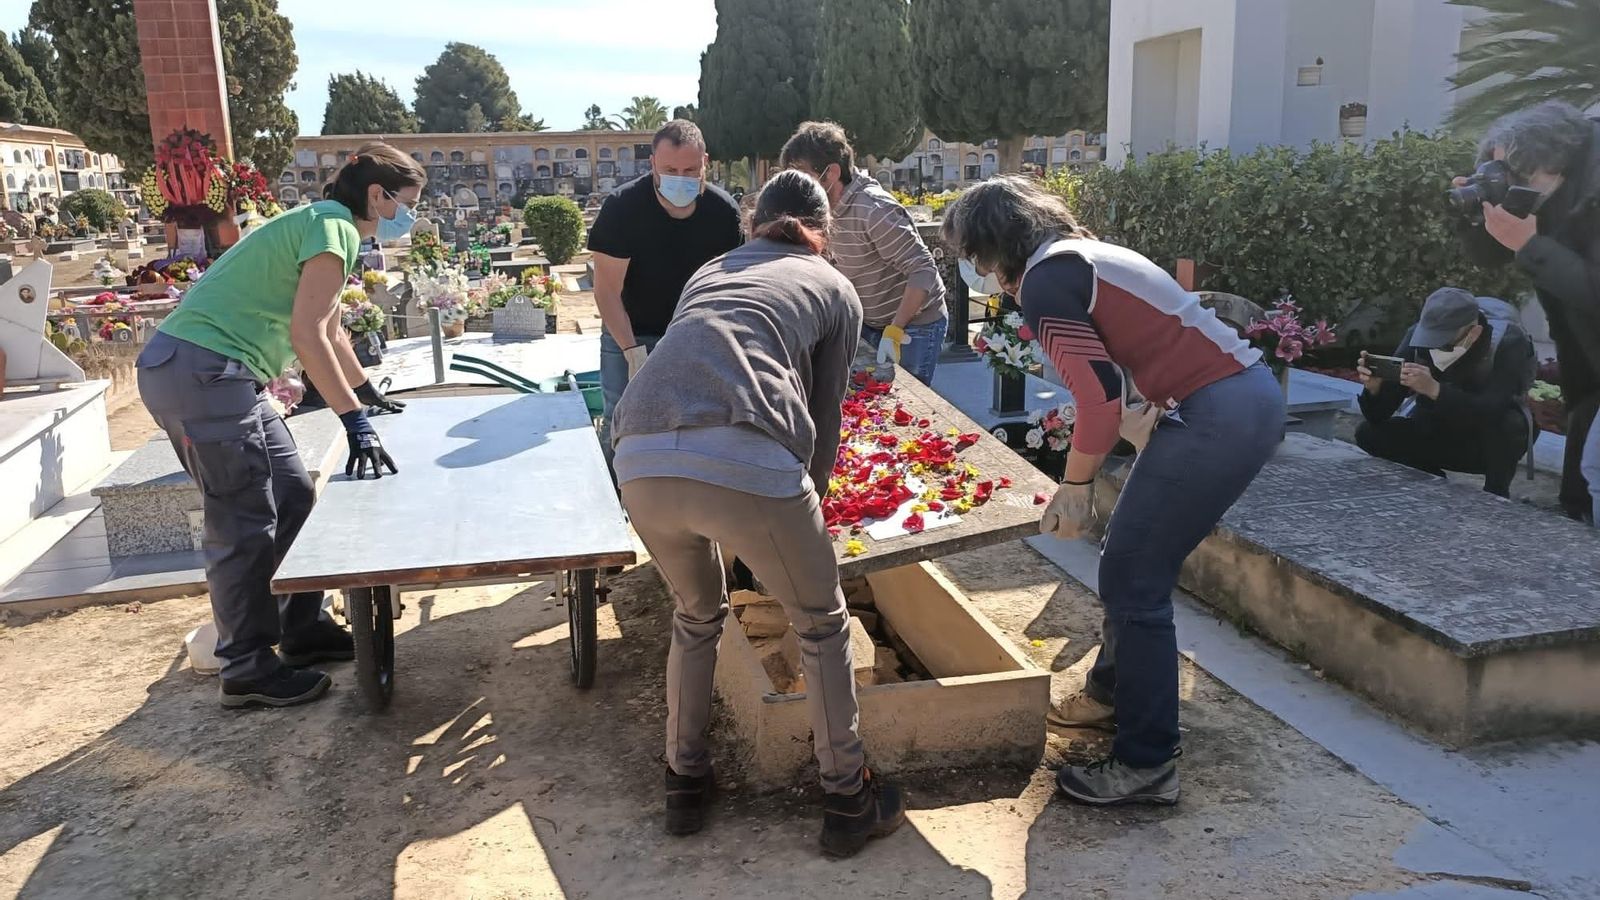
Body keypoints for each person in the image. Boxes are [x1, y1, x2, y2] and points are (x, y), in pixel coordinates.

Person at [942, 176, 1284, 807]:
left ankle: (1147, 763)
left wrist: (1075, 486)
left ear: (994, 243)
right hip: (1237, 399)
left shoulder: (1047, 280)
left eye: (972, 254)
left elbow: (1097, 397)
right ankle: (1110, 694)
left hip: (1214, 411)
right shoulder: (1080, 256)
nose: (975, 271)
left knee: (1133, 578)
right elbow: (1128, 365)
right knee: (1132, 563)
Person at [611, 170, 904, 856]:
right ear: (822, 232)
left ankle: (684, 781)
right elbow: (823, 412)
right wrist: (809, 509)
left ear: (753, 223)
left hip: (640, 454)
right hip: (749, 456)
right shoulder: (833, 284)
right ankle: (848, 796)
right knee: (822, 623)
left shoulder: (710, 270)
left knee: (696, 615)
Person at [136, 143, 420, 710]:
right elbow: (306, 334)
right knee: (244, 521)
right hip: (203, 372)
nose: (409, 216)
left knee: (292, 494)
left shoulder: (325, 224)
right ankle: (246, 668)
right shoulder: (334, 228)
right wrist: (353, 420)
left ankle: (301, 629)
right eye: (406, 203)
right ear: (377, 196)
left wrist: (364, 390)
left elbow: (331, 330)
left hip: (224, 374)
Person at [1455, 101, 1600, 522]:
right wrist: (1475, 216)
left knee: (1594, 467)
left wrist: (1531, 246)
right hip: (1582, 346)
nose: (1512, 185)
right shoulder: (1547, 188)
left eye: (1519, 176)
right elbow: (1488, 257)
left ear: (1555, 164)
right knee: (1584, 424)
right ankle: (1575, 522)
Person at [586, 120, 743, 465]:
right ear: (652, 163)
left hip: (694, 335)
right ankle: (613, 491)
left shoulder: (723, 213)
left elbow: (727, 287)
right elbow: (607, 291)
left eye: (690, 170)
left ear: (705, 163)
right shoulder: (623, 208)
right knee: (621, 420)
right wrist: (632, 352)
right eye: (670, 170)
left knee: (696, 422)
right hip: (630, 331)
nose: (680, 178)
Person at [780, 122, 949, 384]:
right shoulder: (818, 210)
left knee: (908, 398)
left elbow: (923, 270)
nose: (798, 186)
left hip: (915, 324)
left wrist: (895, 331)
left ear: (831, 173)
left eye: (803, 175)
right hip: (870, 322)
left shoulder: (873, 209)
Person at [1355, 288, 1535, 497]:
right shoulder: (1418, 336)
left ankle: (1496, 494)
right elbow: (1378, 416)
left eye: (1444, 341)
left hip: (1483, 445)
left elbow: (1493, 408)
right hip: (1435, 429)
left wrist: (1435, 390)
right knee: (1368, 433)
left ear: (1473, 333)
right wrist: (1374, 389)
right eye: (1431, 338)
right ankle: (1431, 478)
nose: (1434, 348)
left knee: (1511, 423)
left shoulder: (1508, 341)